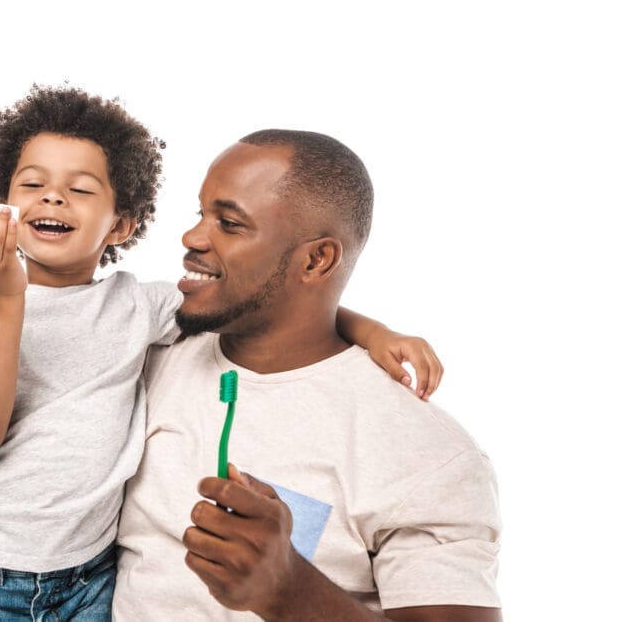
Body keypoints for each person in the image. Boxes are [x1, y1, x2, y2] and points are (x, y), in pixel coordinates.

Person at [0, 87, 443, 621]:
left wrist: (372, 330)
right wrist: (4, 295)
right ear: (1, 206)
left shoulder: (140, 305)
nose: (52, 198)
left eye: (79, 190)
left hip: (90, 574)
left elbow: (266, 304)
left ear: (121, 226)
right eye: (32, 184)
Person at [114, 130, 502, 621]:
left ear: (317, 259)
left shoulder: (425, 454)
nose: (193, 238)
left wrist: (289, 590)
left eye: (229, 223)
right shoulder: (147, 356)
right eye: (201, 214)